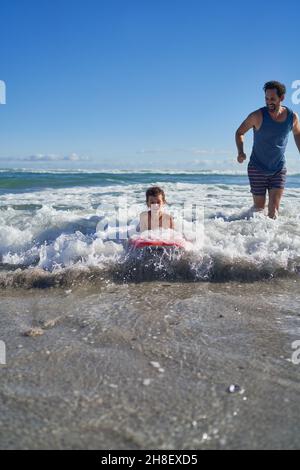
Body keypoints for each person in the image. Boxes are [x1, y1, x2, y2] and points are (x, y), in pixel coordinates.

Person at [235, 81, 300, 218]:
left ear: (281, 98)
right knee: (258, 210)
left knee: (273, 211)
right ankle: (251, 233)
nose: (268, 102)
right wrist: (241, 152)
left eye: (272, 99)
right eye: (266, 98)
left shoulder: (292, 117)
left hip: (278, 168)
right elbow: (239, 132)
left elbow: (297, 134)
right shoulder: (257, 116)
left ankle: (271, 239)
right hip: (257, 168)